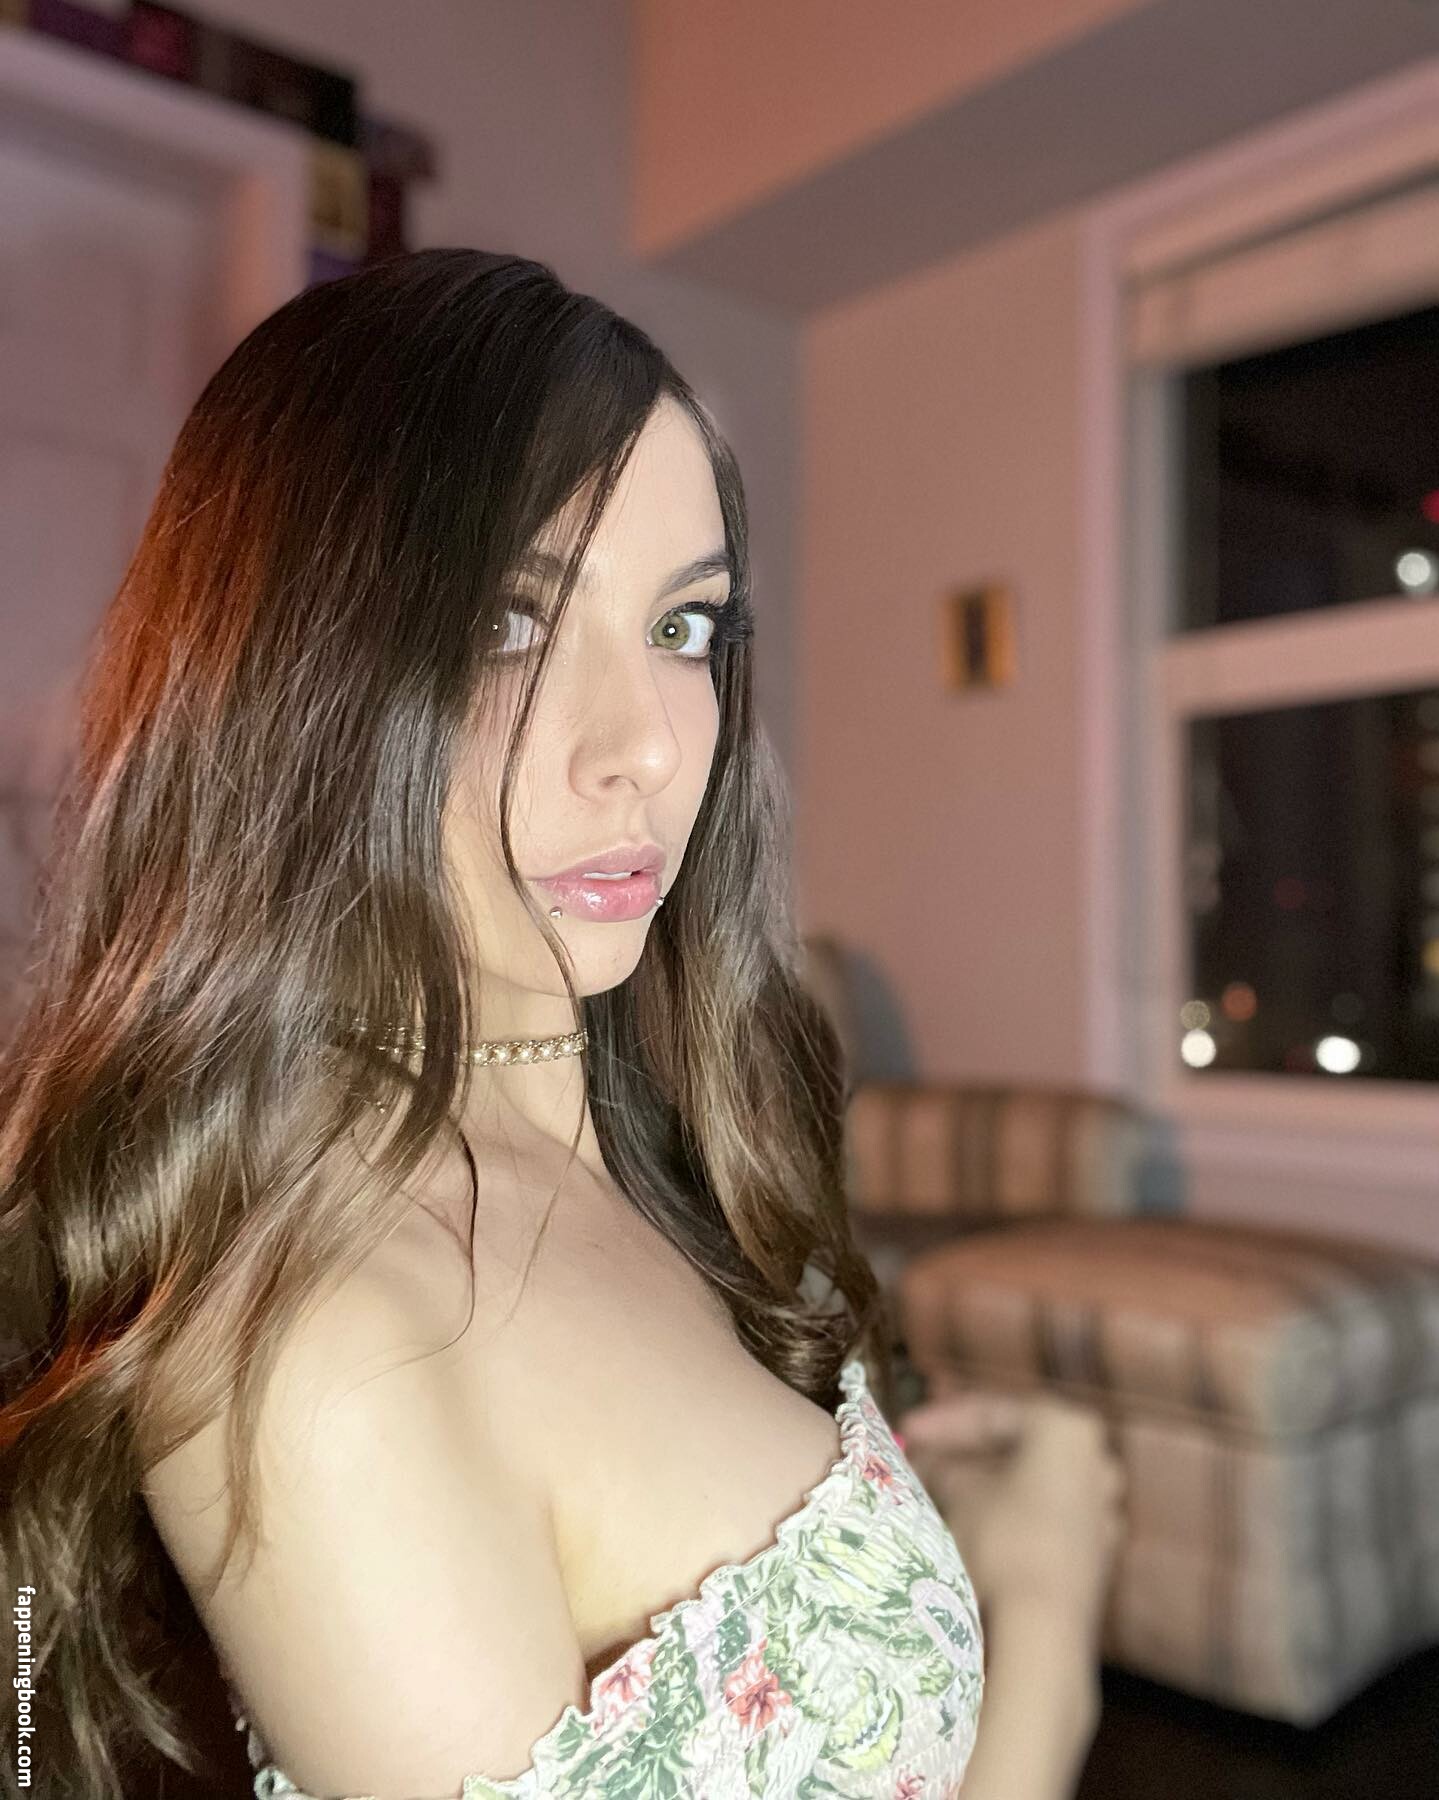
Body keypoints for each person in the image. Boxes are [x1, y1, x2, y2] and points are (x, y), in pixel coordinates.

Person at [0, 248, 1122, 1800]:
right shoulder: (325, 1346)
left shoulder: (661, 1122)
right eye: (511, 621)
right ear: (294, 678)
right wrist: (1049, 1614)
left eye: (685, 629)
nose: (647, 748)